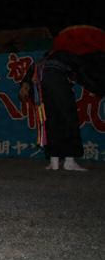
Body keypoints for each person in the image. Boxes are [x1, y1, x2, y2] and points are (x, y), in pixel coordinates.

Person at [21, 25, 105, 172]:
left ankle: (57, 160)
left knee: (54, 121)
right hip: (53, 87)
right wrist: (98, 88)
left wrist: (25, 85)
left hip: (48, 88)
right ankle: (66, 160)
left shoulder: (54, 55)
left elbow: (34, 70)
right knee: (65, 119)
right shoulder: (60, 56)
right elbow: (84, 74)